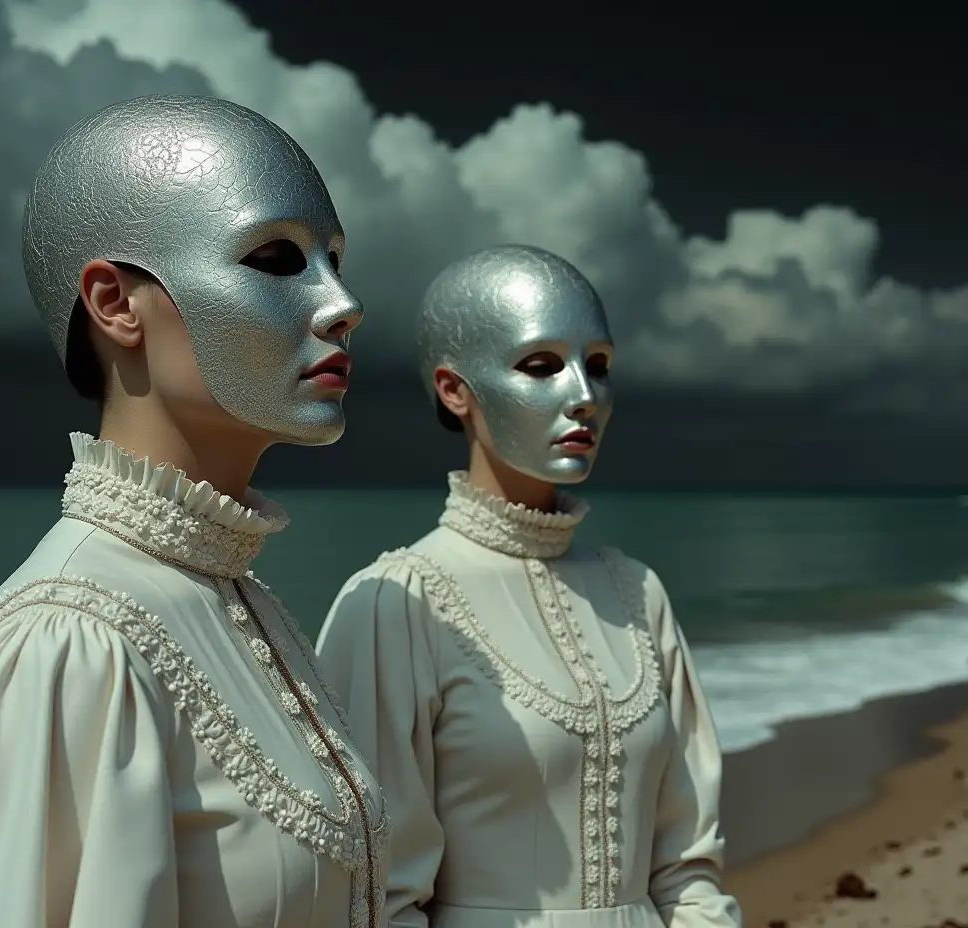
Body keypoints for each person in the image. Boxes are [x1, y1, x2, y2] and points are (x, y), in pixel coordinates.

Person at [0, 95, 389, 928]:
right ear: (115, 303)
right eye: (276, 258)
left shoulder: (236, 600)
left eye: (334, 260)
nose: (343, 303)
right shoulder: (68, 643)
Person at [316, 245, 740, 928]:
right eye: (541, 366)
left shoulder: (637, 593)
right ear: (455, 390)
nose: (584, 396)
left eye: (598, 367)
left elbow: (689, 862)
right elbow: (371, 893)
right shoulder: (394, 602)